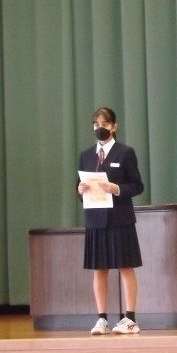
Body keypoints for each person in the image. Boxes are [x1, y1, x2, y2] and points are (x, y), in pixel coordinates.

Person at [77, 107, 144, 335]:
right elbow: (79, 187)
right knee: (99, 269)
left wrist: (117, 189)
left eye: (104, 124)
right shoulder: (86, 155)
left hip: (120, 218)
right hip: (95, 219)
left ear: (114, 127)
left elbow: (137, 186)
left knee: (125, 266)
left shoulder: (125, 153)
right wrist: (80, 189)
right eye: (96, 125)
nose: (100, 128)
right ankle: (102, 319)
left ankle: (130, 319)